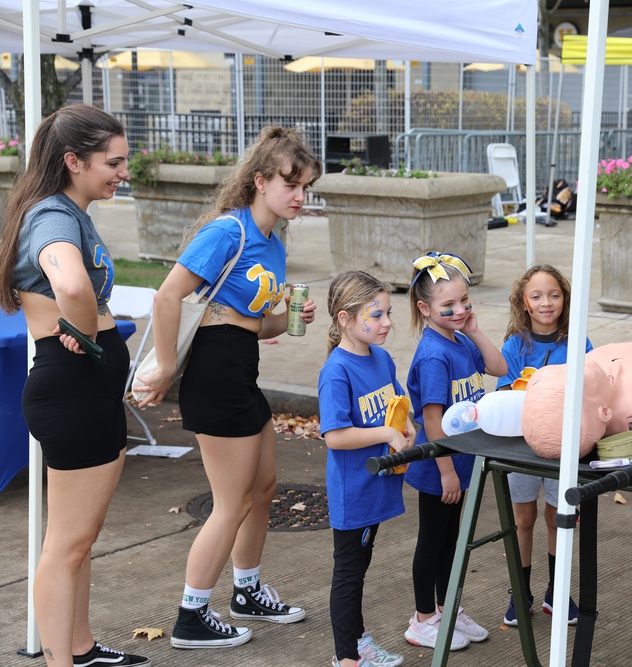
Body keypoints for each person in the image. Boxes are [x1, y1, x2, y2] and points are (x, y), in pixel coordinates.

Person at [135, 126, 320, 649]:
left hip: (242, 369)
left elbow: (256, 326)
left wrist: (290, 316)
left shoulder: (272, 241)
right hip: (215, 377)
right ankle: (191, 616)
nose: (300, 196)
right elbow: (167, 297)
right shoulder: (228, 231)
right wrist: (167, 366)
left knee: (262, 490)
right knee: (231, 502)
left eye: (305, 187)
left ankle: (247, 590)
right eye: (292, 184)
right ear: (260, 181)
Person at [0, 105, 147, 667]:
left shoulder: (67, 211)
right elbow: (70, 283)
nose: (122, 172)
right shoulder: (52, 217)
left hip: (91, 392)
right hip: (72, 392)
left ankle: (80, 649)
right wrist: (84, 333)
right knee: (65, 545)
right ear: (72, 161)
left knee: (80, 539)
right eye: (112, 162)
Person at [403, 252, 507, 651]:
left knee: (453, 541)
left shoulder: (461, 340)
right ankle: (422, 617)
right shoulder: (433, 354)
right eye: (448, 306)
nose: (460, 310)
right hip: (439, 468)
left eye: (465, 302)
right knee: (432, 540)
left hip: (462, 463)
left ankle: (446, 609)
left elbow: (498, 367)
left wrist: (476, 330)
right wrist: (445, 471)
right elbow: (432, 421)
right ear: (425, 309)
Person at [319, 270, 416, 667]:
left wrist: (403, 425)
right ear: (345, 318)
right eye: (375, 315)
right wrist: (385, 435)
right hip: (353, 489)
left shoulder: (381, 359)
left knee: (360, 566)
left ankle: (357, 641)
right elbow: (335, 436)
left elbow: (394, 403)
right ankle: (347, 658)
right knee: (350, 573)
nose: (387, 322)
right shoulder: (337, 371)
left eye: (388, 312)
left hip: (377, 484)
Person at [494, 265, 592, 628]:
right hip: (521, 448)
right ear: (525, 303)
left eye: (553, 294)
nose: (546, 302)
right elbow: (504, 392)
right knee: (523, 519)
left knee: (558, 519)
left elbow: (592, 386)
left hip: (564, 448)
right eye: (536, 296)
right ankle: (520, 593)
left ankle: (557, 592)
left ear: (564, 299)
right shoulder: (515, 345)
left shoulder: (578, 342)